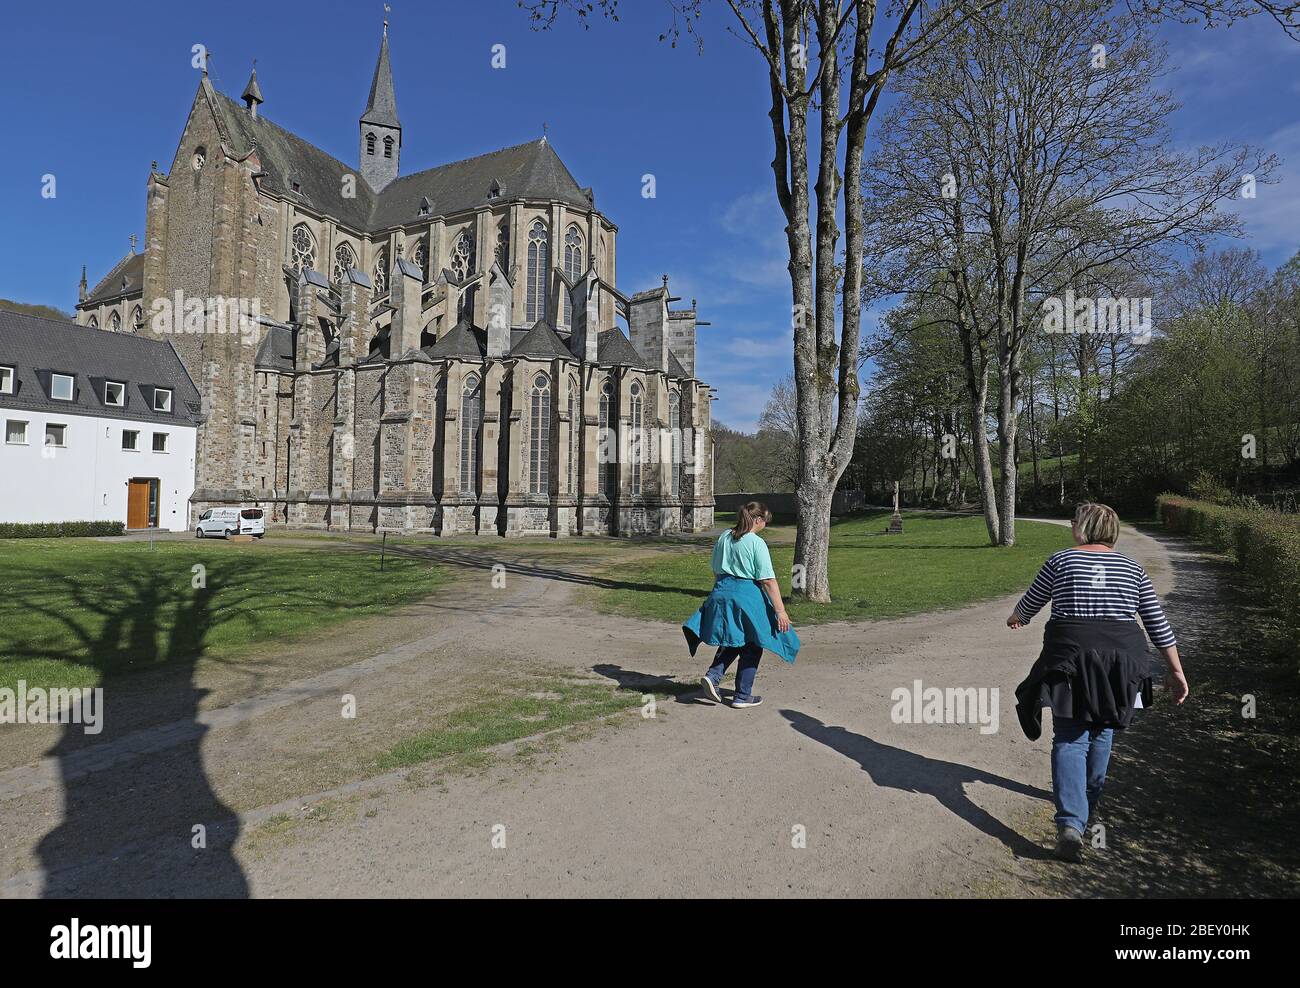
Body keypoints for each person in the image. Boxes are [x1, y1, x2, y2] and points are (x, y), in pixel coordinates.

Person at [1009, 502, 1189, 862]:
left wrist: (1018, 617)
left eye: (1075, 521)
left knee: (1070, 737)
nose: (1072, 526)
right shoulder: (1133, 568)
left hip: (1071, 658)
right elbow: (1156, 622)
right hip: (1122, 662)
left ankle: (1071, 824)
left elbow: (1032, 601)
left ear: (1083, 528)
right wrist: (1176, 671)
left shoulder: (1060, 561)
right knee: (1103, 731)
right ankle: (1086, 806)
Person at [682, 501, 800, 708]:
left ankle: (713, 676)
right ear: (758, 520)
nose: (766, 524)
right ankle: (742, 696)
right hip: (745, 596)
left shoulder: (724, 537)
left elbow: (716, 568)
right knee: (753, 643)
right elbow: (767, 580)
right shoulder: (755, 542)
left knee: (735, 638)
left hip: (721, 591)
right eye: (766, 520)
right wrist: (780, 611)